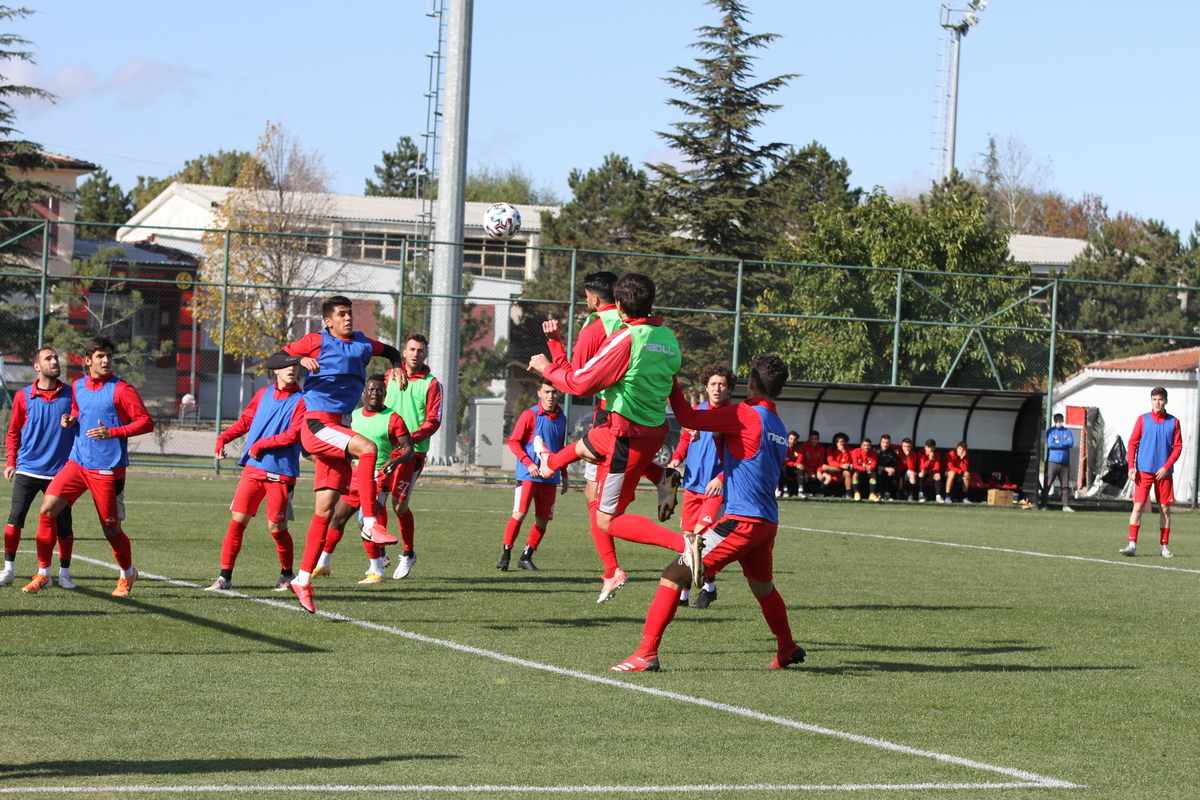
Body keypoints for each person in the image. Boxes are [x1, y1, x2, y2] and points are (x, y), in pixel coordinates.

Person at [609, 354, 806, 673]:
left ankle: (646, 653)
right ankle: (786, 647)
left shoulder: (745, 413)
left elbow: (687, 416)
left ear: (751, 384)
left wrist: (670, 377)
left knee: (673, 574)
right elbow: (743, 457)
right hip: (767, 522)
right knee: (763, 588)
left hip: (741, 521)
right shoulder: (779, 426)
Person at [528, 273, 685, 603]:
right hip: (648, 426)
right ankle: (552, 464)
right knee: (589, 452)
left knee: (601, 511)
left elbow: (576, 379)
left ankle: (614, 569)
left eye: (586, 297)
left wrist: (552, 351)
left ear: (600, 300)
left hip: (615, 418)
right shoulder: (666, 334)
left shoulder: (601, 327)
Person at [262, 295, 407, 613]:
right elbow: (272, 360)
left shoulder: (362, 344)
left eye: (349, 314)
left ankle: (302, 579)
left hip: (338, 427)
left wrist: (396, 367)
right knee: (367, 448)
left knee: (325, 511)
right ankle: (369, 521)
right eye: (341, 315)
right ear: (327, 320)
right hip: (317, 424)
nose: (347, 318)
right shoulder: (315, 340)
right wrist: (298, 361)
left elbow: (393, 351)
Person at [26, 336, 154, 596]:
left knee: (110, 528)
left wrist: (113, 432)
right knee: (47, 509)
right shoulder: (79, 386)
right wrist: (70, 420)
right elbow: (77, 410)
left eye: (108, 355)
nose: (106, 360)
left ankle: (127, 574)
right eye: (99, 356)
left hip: (107, 469)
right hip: (77, 463)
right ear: (88, 361)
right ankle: (43, 574)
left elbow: (146, 422)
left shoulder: (121, 389)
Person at [208, 364, 306, 591]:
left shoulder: (302, 400)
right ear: (276, 371)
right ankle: (224, 579)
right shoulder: (262, 394)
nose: (291, 369)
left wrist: (261, 444)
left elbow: (293, 435)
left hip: (281, 473)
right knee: (237, 522)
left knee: (276, 527)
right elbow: (245, 421)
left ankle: (287, 575)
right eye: (286, 366)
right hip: (253, 469)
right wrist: (223, 437)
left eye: (294, 366)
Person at [312, 375, 414, 583]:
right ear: (364, 393)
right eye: (372, 390)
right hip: (356, 476)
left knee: (366, 525)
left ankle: (377, 571)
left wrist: (395, 462)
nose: (375, 393)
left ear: (384, 395)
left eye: (379, 390)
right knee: (337, 519)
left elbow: (409, 449)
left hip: (378, 478)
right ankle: (323, 565)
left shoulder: (393, 418)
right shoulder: (353, 416)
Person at [2, 347, 75, 588]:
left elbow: (80, 424)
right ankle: (8, 570)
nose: (55, 361)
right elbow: (14, 431)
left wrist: (74, 421)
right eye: (49, 358)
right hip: (28, 469)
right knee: (15, 519)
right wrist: (11, 461)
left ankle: (63, 574)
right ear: (37, 367)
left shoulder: (71, 394)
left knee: (64, 524)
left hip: (61, 473)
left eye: (56, 358)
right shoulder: (23, 396)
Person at [666, 363, 735, 609]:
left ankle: (703, 592)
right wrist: (676, 458)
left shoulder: (733, 416)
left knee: (698, 542)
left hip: (714, 490)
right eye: (713, 384)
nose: (717, 388)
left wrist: (721, 477)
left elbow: (740, 455)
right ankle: (695, 593)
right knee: (688, 544)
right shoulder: (696, 412)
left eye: (722, 385)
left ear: (729, 389)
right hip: (692, 487)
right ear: (706, 387)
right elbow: (685, 439)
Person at [381, 332, 443, 581]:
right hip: (385, 449)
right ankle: (380, 554)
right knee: (377, 499)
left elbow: (433, 421)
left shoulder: (431, 383)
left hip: (412, 452)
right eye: (411, 349)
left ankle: (408, 554)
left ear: (425, 353)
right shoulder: (390, 376)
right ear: (403, 352)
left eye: (420, 350)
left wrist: (408, 438)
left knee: (399, 505)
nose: (415, 353)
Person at [497, 379, 568, 572]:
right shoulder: (530, 414)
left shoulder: (562, 417)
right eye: (546, 392)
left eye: (554, 392)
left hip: (550, 477)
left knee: (543, 519)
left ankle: (526, 556)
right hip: (528, 475)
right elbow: (514, 442)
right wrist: (528, 463)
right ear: (539, 393)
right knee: (519, 514)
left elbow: (561, 449)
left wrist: (565, 474)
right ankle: (505, 556)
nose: (550, 396)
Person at [1120, 387, 1182, 558]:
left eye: (1160, 399)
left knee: (1165, 509)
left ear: (1166, 401)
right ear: (1151, 401)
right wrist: (1131, 466)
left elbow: (1178, 447)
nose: (1157, 403)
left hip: (1164, 473)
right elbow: (1132, 443)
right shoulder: (1143, 419)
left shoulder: (1174, 422)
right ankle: (1132, 545)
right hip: (1143, 471)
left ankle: (1164, 547)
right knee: (1138, 506)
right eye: (1154, 399)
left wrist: (1166, 466)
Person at [1040, 414, 1075, 512]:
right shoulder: (1051, 431)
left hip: (1064, 463)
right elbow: (1051, 444)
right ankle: (1044, 504)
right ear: (1054, 420)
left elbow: (1071, 443)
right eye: (1057, 419)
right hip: (1053, 461)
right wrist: (1063, 443)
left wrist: (1058, 442)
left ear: (1063, 420)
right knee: (1048, 484)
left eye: (1060, 419)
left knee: (1065, 485)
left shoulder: (1067, 432)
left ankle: (1065, 506)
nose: (1058, 421)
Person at [819, 432, 853, 497]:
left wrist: (844, 452)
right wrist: (841, 466)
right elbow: (830, 462)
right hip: (832, 470)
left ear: (845, 442)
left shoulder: (849, 450)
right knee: (824, 467)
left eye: (841, 441)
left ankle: (849, 494)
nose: (839, 443)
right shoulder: (831, 448)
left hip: (842, 473)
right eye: (837, 441)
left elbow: (848, 463)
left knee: (847, 473)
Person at [796, 430, 825, 499]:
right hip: (806, 469)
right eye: (812, 438)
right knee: (805, 476)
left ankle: (818, 492)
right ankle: (803, 492)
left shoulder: (821, 448)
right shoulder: (803, 446)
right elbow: (801, 461)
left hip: (816, 469)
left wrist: (819, 471)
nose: (814, 440)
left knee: (826, 477)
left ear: (818, 439)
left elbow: (821, 462)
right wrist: (810, 472)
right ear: (809, 439)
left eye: (815, 439)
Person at [849, 437, 879, 502]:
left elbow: (874, 464)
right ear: (861, 446)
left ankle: (872, 494)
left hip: (869, 472)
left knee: (873, 473)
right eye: (865, 445)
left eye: (868, 445)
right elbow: (855, 465)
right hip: (859, 471)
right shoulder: (856, 452)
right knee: (855, 473)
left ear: (871, 446)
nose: (866, 447)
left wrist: (870, 468)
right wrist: (865, 468)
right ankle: (856, 493)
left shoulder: (874, 453)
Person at [917, 439, 944, 503]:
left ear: (934, 448)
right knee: (922, 473)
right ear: (925, 447)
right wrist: (930, 460)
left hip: (929, 474)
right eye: (928, 448)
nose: (930, 450)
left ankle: (938, 497)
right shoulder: (921, 453)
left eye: (932, 448)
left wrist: (928, 471)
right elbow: (922, 467)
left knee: (938, 475)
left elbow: (937, 468)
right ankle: (921, 495)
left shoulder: (936, 454)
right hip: (920, 475)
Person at [776, 431, 801, 499]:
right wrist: (794, 464)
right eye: (791, 439)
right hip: (783, 467)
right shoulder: (782, 447)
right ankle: (783, 489)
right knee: (784, 468)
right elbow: (782, 460)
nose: (792, 441)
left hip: (793, 468)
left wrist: (796, 465)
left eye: (794, 439)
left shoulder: (798, 448)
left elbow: (799, 458)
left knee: (800, 468)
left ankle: (801, 491)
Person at [875, 434, 900, 500]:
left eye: (887, 443)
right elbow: (874, 465)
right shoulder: (875, 451)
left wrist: (893, 469)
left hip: (888, 471)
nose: (885, 445)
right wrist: (885, 469)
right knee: (879, 473)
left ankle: (887, 494)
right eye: (883, 442)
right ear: (880, 442)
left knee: (896, 474)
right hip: (877, 470)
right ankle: (878, 493)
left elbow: (895, 464)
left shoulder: (892, 452)